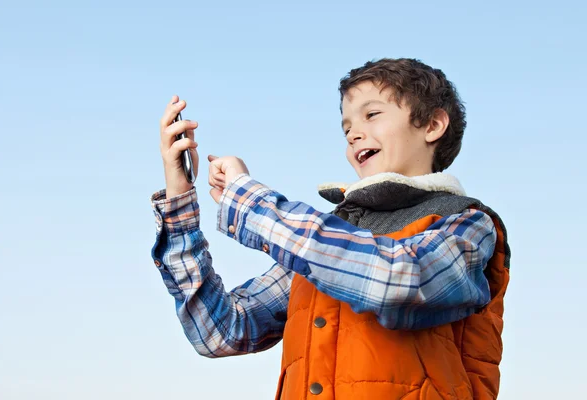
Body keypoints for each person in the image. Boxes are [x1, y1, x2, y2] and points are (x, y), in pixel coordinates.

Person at [150, 58, 511, 400]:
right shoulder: (330, 243)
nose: (354, 134)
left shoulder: (464, 222)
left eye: (371, 114)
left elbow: (397, 283)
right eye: (347, 128)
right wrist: (180, 196)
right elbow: (221, 330)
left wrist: (252, 202)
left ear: (432, 125)